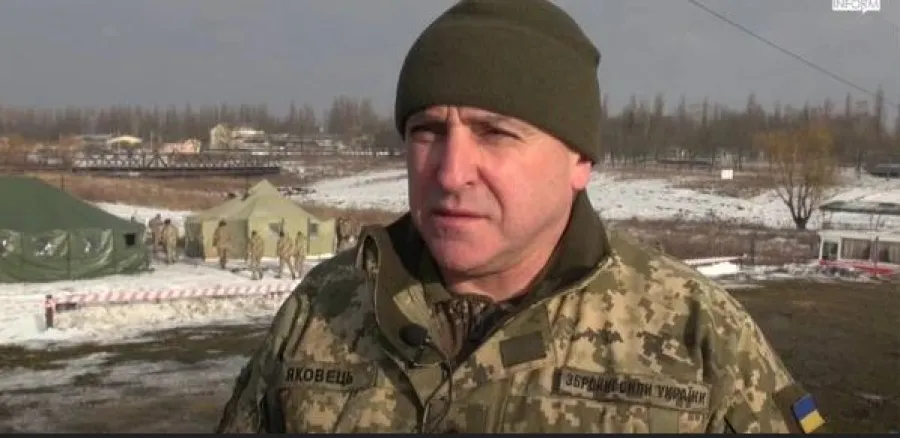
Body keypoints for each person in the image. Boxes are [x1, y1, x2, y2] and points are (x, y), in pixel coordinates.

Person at [216, 0, 826, 434]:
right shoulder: (322, 309)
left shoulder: (697, 335)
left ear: (579, 160)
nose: (450, 172)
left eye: (495, 133)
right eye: (427, 131)